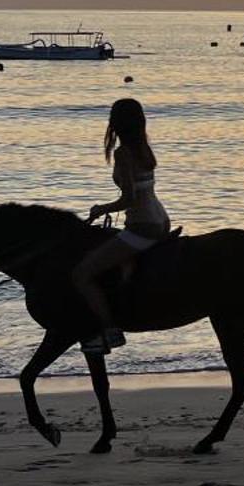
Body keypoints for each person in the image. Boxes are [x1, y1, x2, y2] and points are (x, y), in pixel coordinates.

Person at [72, 98, 171, 354]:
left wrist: (100, 209)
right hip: (161, 220)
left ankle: (109, 328)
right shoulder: (143, 148)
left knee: (82, 274)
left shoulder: (123, 153)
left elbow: (130, 199)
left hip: (142, 226)